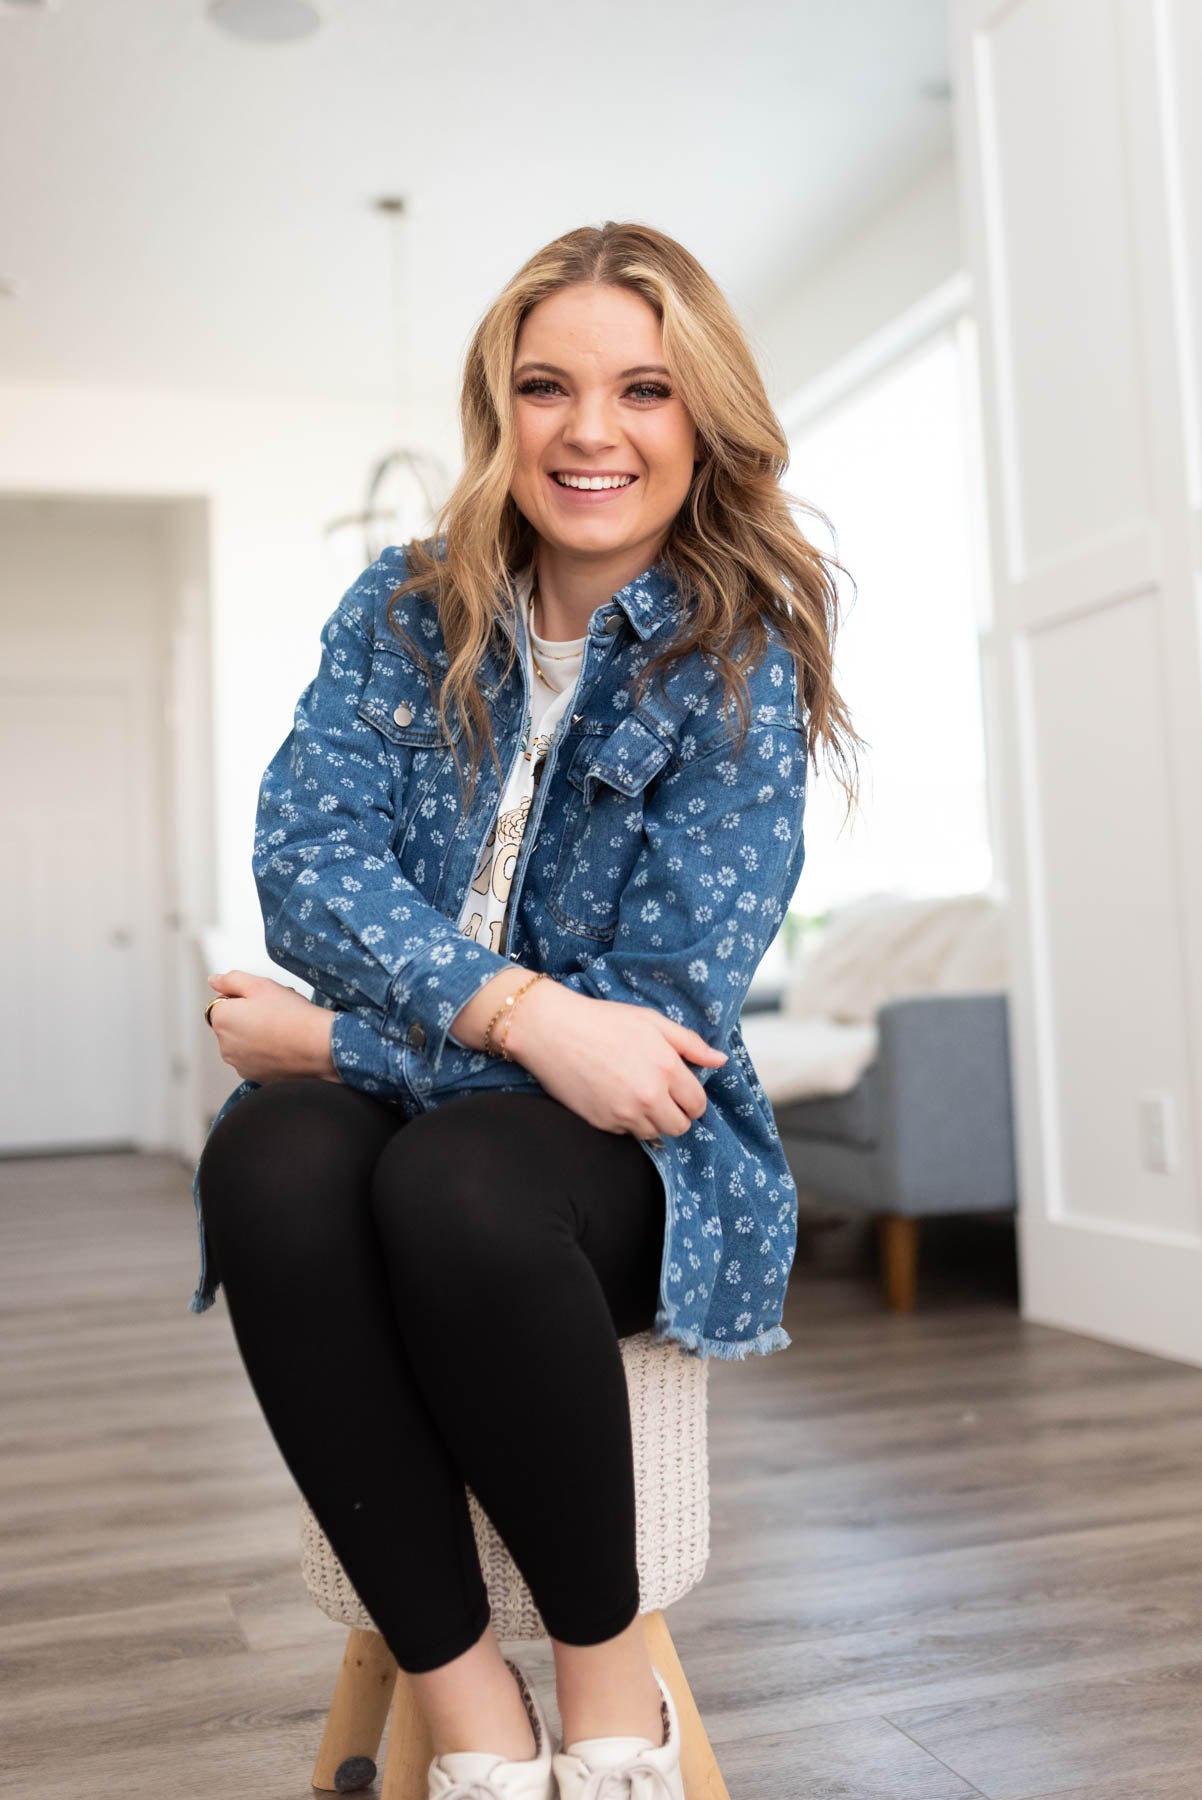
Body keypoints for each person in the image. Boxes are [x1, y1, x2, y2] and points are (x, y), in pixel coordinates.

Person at [191, 220, 860, 1800]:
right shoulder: (404, 607)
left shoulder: (740, 651)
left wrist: (337, 1038)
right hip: (471, 1082)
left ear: (700, 418)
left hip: (628, 1152)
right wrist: (509, 1013)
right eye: (546, 386)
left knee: (459, 1179)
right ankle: (472, 1713)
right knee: (273, 1161)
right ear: (500, 410)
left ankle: (609, 1693)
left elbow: (646, 1029)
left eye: (641, 389)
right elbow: (308, 868)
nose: (590, 432)